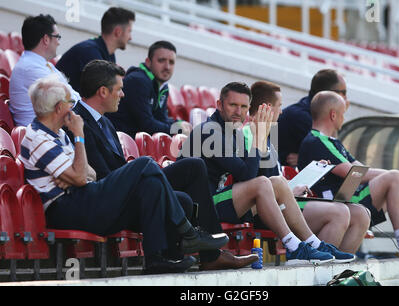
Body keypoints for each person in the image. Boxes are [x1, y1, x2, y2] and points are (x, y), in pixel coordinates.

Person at [19, 75, 229, 274]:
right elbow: (82, 177)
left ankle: (156, 259)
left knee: (161, 190)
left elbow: (87, 173)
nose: (72, 107)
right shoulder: (37, 138)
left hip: (81, 198)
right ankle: (189, 233)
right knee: (145, 164)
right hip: (67, 209)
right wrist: (79, 138)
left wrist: (75, 175)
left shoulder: (58, 135)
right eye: (68, 102)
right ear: (58, 108)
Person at [70, 59, 257, 270]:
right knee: (147, 165)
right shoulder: (77, 122)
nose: (123, 94)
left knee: (192, 172)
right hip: (109, 199)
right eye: (119, 89)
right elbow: (103, 176)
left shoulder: (105, 121)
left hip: (125, 190)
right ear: (103, 92)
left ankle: (193, 253)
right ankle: (199, 245)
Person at [180, 81, 359, 265]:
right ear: (219, 105)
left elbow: (251, 174)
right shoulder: (210, 132)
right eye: (233, 105)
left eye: (243, 107)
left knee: (276, 182)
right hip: (201, 208)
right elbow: (248, 176)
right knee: (263, 183)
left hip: (217, 201)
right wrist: (259, 136)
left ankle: (313, 243)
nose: (238, 111)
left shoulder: (233, 132)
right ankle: (294, 246)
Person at [297, 91, 399, 257]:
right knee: (397, 177)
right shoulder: (316, 140)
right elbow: (351, 172)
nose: (344, 119)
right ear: (333, 115)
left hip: (348, 198)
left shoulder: (331, 141)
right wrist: (397, 175)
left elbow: (359, 167)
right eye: (342, 114)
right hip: (340, 201)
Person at [243, 81, 370, 254]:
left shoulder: (268, 137)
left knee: (361, 214)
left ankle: (338, 268)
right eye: (279, 106)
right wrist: (289, 191)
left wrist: (308, 177)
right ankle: (316, 262)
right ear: (267, 108)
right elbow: (255, 182)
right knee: (339, 212)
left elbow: (275, 178)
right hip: (269, 211)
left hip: (287, 201)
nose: (281, 111)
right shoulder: (248, 135)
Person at [106, 40, 192, 137]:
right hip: (118, 141)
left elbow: (160, 118)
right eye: (161, 60)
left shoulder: (162, 86)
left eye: (171, 62)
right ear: (148, 62)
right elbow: (146, 125)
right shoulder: (138, 81)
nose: (167, 67)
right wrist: (175, 127)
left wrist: (180, 123)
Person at [9, 14, 81, 127]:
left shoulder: (43, 64)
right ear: (46, 39)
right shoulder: (30, 68)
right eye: (57, 37)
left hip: (51, 129)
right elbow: (69, 101)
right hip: (38, 136)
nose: (59, 42)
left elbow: (74, 96)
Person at [277, 69, 348, 167]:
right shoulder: (302, 117)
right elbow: (334, 153)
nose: (345, 98)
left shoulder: (308, 109)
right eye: (343, 92)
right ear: (329, 93)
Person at [56, 7, 135, 92]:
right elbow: (102, 95)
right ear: (118, 32)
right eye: (129, 31)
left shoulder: (108, 54)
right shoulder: (90, 52)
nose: (130, 38)